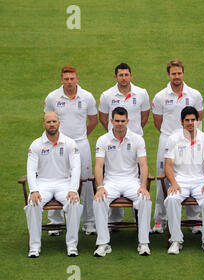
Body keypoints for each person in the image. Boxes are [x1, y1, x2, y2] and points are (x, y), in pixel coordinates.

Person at [152, 59, 204, 234]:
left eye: (179, 73)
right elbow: (157, 122)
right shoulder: (160, 96)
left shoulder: (195, 95)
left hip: (190, 140)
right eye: (173, 73)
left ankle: (194, 220)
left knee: (192, 175)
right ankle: (160, 220)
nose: (176, 76)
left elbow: (199, 119)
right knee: (163, 180)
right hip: (167, 140)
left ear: (183, 73)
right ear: (168, 75)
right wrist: (173, 136)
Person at [44, 65, 97, 236]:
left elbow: (93, 120)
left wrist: (79, 137)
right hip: (58, 146)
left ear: (77, 78)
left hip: (81, 145)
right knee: (55, 178)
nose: (69, 82)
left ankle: (89, 222)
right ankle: (55, 222)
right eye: (66, 79)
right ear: (61, 80)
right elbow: (49, 120)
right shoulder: (52, 97)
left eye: (72, 79)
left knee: (87, 182)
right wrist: (63, 140)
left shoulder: (87, 97)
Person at [92, 107, 152, 257]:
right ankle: (103, 243)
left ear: (127, 121)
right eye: (116, 121)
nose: (119, 124)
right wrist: (100, 187)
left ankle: (143, 243)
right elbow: (99, 165)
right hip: (111, 182)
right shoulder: (103, 140)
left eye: (122, 121)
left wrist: (143, 186)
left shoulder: (137, 139)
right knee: (99, 200)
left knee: (145, 199)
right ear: (111, 121)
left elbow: (143, 165)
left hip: (132, 181)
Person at [98, 63, 151, 225]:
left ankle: (139, 221)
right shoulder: (107, 95)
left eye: (126, 74)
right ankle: (114, 221)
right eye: (120, 75)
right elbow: (103, 117)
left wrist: (133, 134)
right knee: (112, 175)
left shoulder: (141, 93)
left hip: (134, 142)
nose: (123, 78)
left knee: (134, 177)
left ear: (131, 76)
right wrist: (115, 131)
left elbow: (144, 116)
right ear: (115, 77)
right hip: (113, 142)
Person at [25, 112, 82, 257]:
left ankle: (72, 246)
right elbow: (31, 170)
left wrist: (73, 189)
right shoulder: (36, 144)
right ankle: (34, 247)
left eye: (54, 121)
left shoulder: (70, 143)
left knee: (74, 203)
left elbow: (76, 167)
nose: (51, 124)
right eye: (48, 122)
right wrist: (34, 190)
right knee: (33, 204)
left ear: (59, 123)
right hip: (43, 183)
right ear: (44, 124)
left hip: (64, 182)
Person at [164, 107, 204, 255]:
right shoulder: (173, 138)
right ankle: (176, 240)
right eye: (187, 120)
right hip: (180, 180)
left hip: (200, 181)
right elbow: (168, 165)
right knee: (171, 200)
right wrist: (174, 183)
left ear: (197, 121)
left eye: (193, 120)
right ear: (181, 122)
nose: (190, 123)